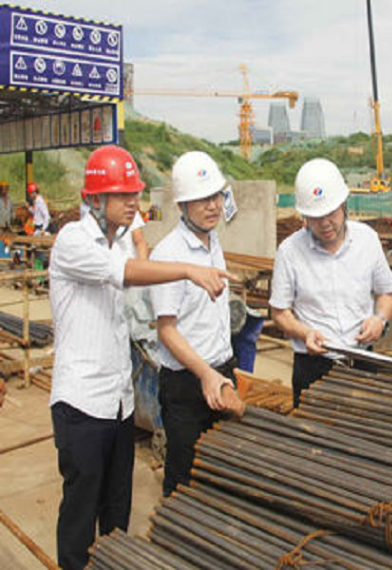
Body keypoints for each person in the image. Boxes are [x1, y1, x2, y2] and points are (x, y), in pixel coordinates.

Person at [49, 145, 235, 570]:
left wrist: (138, 240)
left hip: (118, 402)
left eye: (135, 193)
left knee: (117, 509)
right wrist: (188, 269)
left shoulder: (119, 247)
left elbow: (133, 266)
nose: (134, 202)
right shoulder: (73, 241)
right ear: (95, 199)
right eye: (122, 195)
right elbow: (131, 275)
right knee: (81, 510)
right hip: (81, 403)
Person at [150, 151, 245, 497]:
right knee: (185, 478)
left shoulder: (213, 241)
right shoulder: (168, 254)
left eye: (216, 196)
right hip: (187, 384)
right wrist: (205, 374)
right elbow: (167, 330)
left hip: (222, 371)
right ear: (181, 206)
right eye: (201, 199)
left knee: (219, 471)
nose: (212, 206)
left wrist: (221, 373)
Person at [270, 158, 392, 407]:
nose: (325, 223)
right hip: (313, 367)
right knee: (312, 438)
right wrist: (304, 332)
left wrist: (379, 320)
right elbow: (279, 312)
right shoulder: (290, 251)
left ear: (344, 204)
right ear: (304, 215)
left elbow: (386, 294)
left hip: (361, 362)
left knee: (363, 436)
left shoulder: (367, 241)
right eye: (316, 217)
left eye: (331, 213)